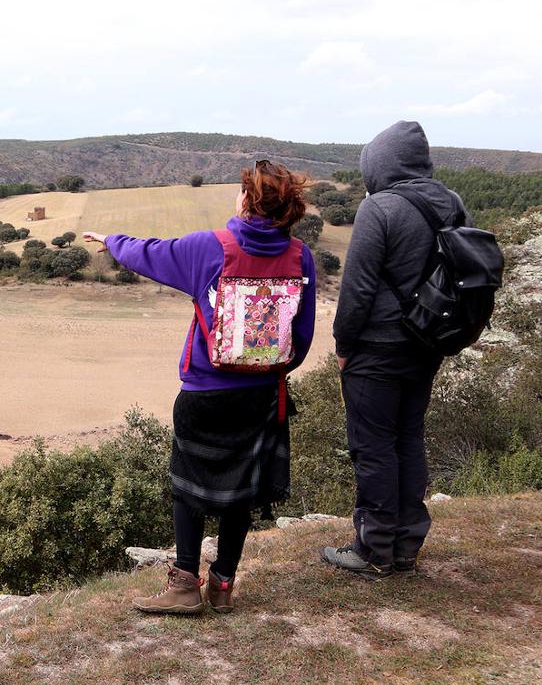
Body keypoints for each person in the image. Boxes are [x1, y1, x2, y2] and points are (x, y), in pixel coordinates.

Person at [84, 159, 317, 614]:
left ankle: (184, 586)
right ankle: (223, 587)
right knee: (241, 493)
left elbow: (147, 252)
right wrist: (270, 373)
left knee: (186, 488)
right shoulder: (300, 256)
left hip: (204, 393)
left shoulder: (209, 249)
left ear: (247, 200)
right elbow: (302, 336)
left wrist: (111, 240)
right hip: (263, 396)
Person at [322, 120, 467, 579]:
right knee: (408, 437)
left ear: (379, 164)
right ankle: (407, 545)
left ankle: (374, 550)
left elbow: (357, 289)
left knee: (373, 446)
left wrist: (344, 345)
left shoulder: (379, 207)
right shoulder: (451, 202)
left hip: (377, 348)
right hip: (428, 343)